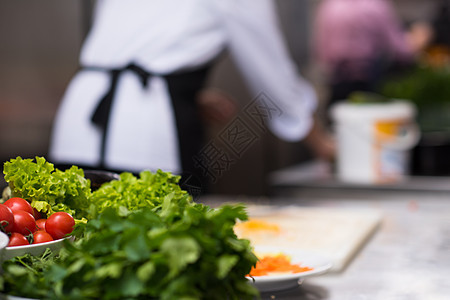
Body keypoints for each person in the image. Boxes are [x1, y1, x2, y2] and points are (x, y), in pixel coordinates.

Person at [49, 0, 334, 182]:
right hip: (146, 138)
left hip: (77, 124)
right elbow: (275, 80)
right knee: (159, 251)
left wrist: (185, 96)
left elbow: (130, 48)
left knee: (74, 248)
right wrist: (322, 144)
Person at [312, 0, 433, 107]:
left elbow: (322, 49)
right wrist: (420, 39)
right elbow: (401, 50)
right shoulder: (375, 5)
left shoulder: (330, 5)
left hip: (336, 80)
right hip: (367, 81)